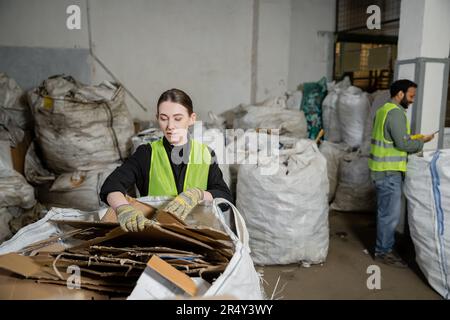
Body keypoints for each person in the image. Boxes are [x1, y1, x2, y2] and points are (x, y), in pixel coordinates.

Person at [100, 88, 232, 232]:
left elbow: (224, 199)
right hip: (157, 235)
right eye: (164, 118)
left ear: (192, 118)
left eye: (177, 118)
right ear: (157, 118)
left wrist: (198, 194)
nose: (170, 126)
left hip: (197, 236)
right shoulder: (147, 153)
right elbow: (111, 185)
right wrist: (123, 208)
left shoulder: (205, 154)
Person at [368, 79, 435, 267]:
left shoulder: (383, 110)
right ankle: (383, 251)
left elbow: (392, 138)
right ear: (400, 94)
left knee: (384, 212)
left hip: (380, 170)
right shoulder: (396, 114)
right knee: (389, 215)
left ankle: (383, 246)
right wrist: (423, 143)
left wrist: (415, 137)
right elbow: (403, 145)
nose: (412, 100)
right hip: (389, 173)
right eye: (411, 96)